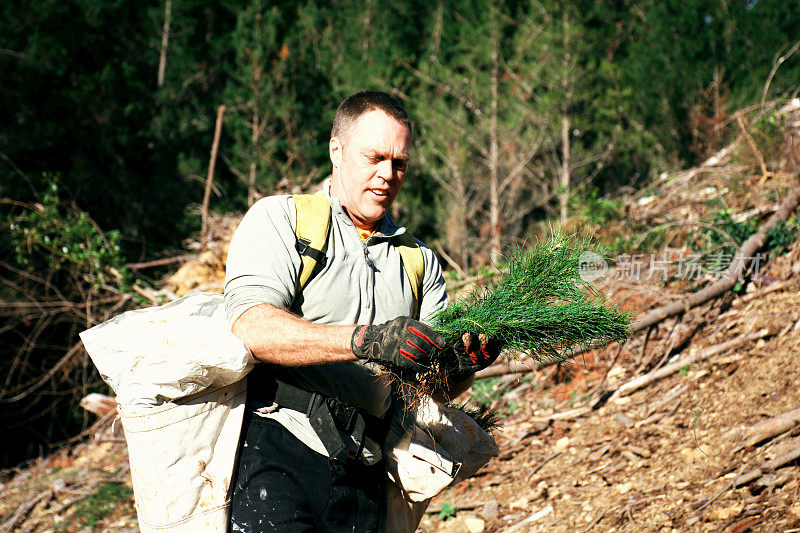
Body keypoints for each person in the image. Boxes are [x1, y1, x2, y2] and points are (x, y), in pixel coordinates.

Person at [223, 90, 499, 532]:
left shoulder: (419, 260)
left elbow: (436, 390)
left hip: (367, 470)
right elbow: (251, 327)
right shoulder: (282, 220)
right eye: (375, 157)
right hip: (278, 452)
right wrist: (365, 340)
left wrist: (464, 365)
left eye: (400, 163)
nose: (388, 174)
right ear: (337, 150)